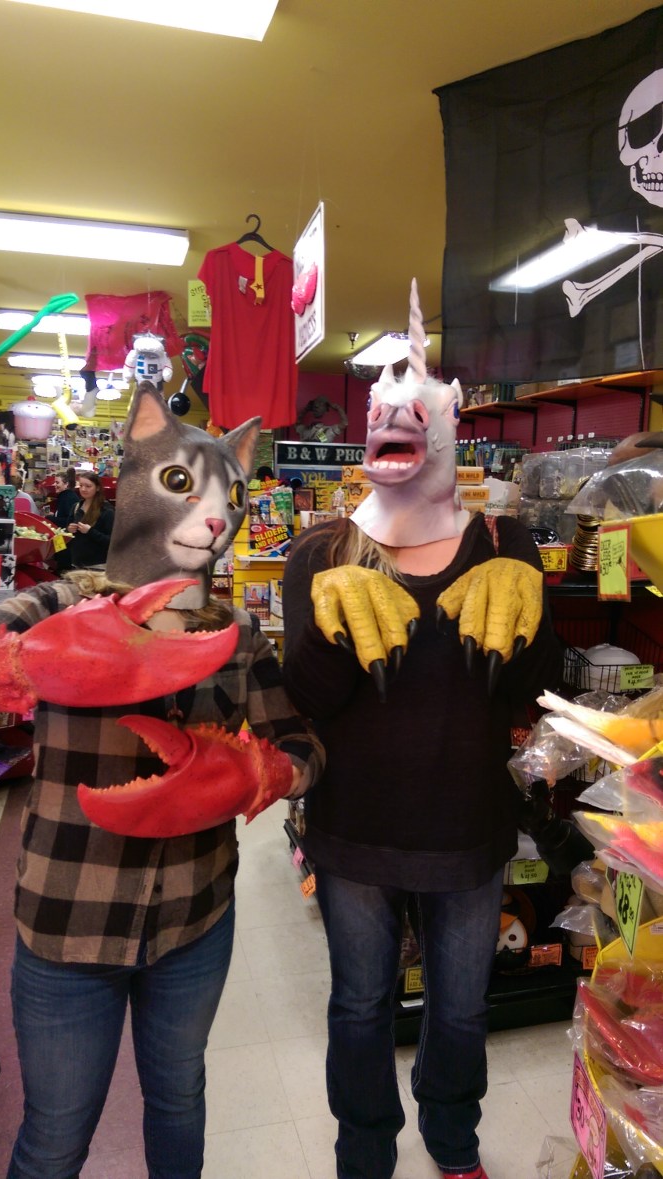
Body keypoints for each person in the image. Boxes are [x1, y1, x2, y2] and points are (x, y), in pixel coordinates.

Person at [0, 380, 325, 1179]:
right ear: (134, 476)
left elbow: (303, 746)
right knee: (55, 1134)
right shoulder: (57, 603)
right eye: (183, 484)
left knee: (179, 1099)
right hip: (69, 925)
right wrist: (21, 659)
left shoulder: (239, 633)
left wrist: (264, 771)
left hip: (193, 921)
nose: (213, 516)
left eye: (228, 497)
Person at [281, 281, 563, 1179]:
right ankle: (363, 1149)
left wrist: (529, 600)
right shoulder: (318, 551)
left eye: (414, 410)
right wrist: (326, 619)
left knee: (461, 1007)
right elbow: (308, 698)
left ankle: (452, 1140)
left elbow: (530, 687)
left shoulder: (504, 543)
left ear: (447, 425)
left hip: (467, 827)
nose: (392, 420)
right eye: (379, 412)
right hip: (355, 829)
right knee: (359, 1004)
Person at [63, 470, 114, 568]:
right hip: (76, 563)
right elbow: (67, 532)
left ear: (97, 488)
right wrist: (69, 530)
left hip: (98, 566)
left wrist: (90, 531)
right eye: (81, 485)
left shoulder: (107, 510)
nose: (83, 489)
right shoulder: (76, 507)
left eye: (88, 486)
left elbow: (111, 541)